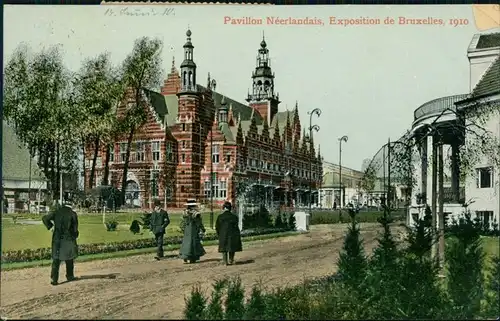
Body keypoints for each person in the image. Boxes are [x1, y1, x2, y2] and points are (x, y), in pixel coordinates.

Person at [42, 200, 79, 286]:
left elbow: (44, 218)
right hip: (68, 239)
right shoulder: (73, 214)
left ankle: (54, 279)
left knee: (56, 259)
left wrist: (50, 227)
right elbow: (75, 229)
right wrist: (75, 236)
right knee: (69, 258)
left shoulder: (56, 212)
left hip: (57, 238)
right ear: (71, 205)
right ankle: (70, 276)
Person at [215, 201, 242, 265]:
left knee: (224, 248)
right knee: (231, 247)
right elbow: (236, 227)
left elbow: (217, 227)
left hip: (223, 234)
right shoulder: (234, 217)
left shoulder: (220, 217)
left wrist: (219, 234)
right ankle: (231, 259)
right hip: (232, 235)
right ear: (230, 208)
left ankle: (225, 261)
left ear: (224, 208)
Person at [179, 199, 206, 263]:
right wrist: (202, 229)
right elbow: (199, 223)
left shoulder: (184, 212)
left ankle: (185, 255)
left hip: (187, 230)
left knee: (186, 242)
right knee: (193, 243)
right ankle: (192, 257)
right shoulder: (196, 213)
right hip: (193, 230)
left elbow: (182, 222)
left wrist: (183, 229)